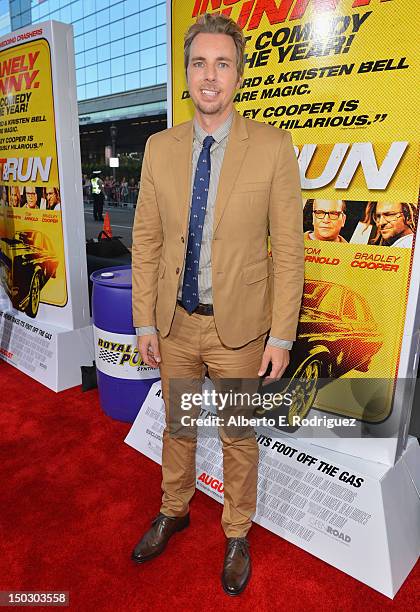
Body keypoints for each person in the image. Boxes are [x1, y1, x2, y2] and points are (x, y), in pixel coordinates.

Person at [131, 13, 303, 596]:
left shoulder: (275, 148)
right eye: (200, 63)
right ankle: (173, 510)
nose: (210, 75)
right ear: (186, 75)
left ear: (238, 75)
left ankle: (236, 532)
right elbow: (148, 241)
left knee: (236, 435)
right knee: (178, 427)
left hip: (240, 331)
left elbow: (288, 250)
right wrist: (144, 321)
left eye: (222, 63)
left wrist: (281, 336)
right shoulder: (158, 148)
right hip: (175, 326)